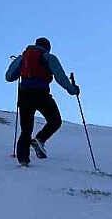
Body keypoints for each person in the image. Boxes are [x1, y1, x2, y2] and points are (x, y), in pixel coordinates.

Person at [5, 37, 80, 166]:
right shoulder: (48, 57)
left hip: (24, 96)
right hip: (41, 94)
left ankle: (23, 160)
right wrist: (72, 90)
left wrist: (20, 66)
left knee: (26, 129)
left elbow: (9, 77)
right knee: (55, 121)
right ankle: (40, 139)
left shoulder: (23, 58)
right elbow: (60, 77)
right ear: (48, 48)